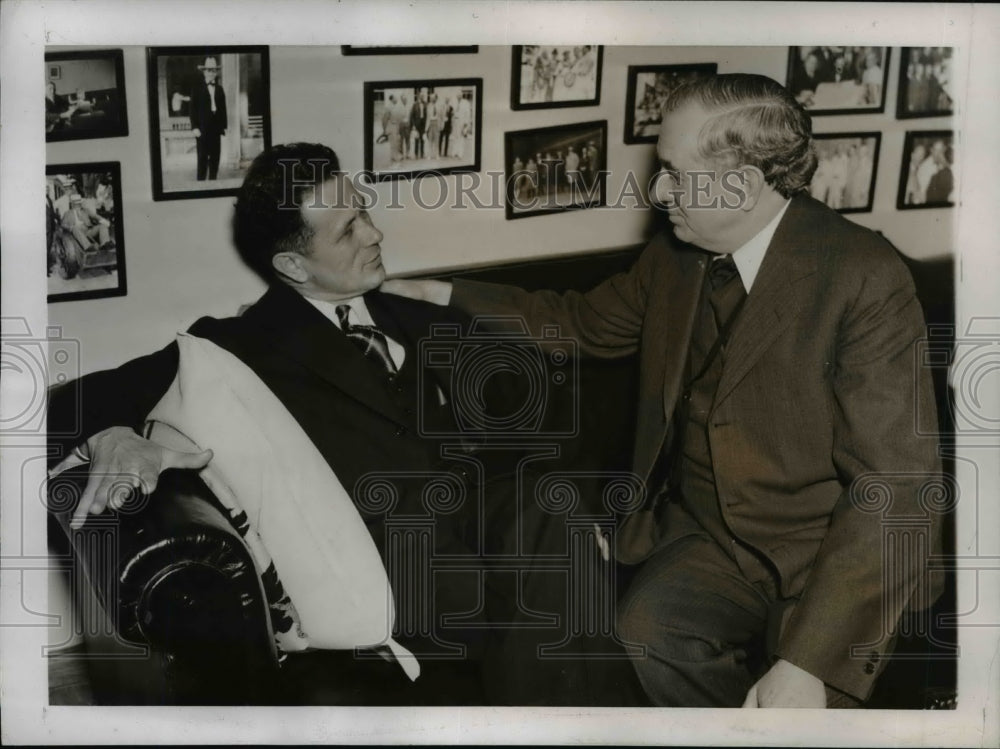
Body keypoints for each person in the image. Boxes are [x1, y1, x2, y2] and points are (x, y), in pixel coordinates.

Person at [383, 73, 942, 708]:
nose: (657, 190)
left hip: (830, 558)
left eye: (674, 173)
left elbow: (897, 486)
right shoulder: (675, 256)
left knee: (802, 705)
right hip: (709, 538)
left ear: (743, 184)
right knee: (645, 630)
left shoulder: (862, 277)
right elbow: (581, 322)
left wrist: (808, 663)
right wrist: (447, 294)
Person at [47, 142, 643, 707]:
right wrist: (115, 435)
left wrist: (584, 506)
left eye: (364, 213)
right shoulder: (235, 347)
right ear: (291, 264)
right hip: (403, 566)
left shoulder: (410, 307)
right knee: (557, 598)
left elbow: (542, 418)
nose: (376, 234)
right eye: (349, 229)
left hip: (495, 528)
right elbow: (60, 405)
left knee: (555, 528)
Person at [189, 57, 228, 181]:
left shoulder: (220, 89)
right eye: (209, 70)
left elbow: (223, 109)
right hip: (202, 130)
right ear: (204, 72)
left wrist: (223, 126)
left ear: (216, 73)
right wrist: (194, 127)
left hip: (215, 129)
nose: (211, 73)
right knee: (202, 158)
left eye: (213, 71)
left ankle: (213, 182)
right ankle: (200, 184)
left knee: (215, 158)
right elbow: (192, 110)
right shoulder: (196, 89)